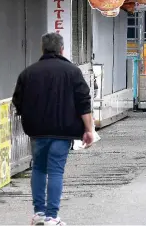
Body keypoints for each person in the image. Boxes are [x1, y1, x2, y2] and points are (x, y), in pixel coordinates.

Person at [12, 32, 94, 226]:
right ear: (62, 49)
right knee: (56, 171)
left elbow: (17, 101)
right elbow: (83, 102)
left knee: (39, 169)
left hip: (37, 131)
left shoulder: (28, 73)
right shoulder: (72, 72)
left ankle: (39, 213)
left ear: (42, 49)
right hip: (62, 131)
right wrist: (89, 129)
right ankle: (51, 217)